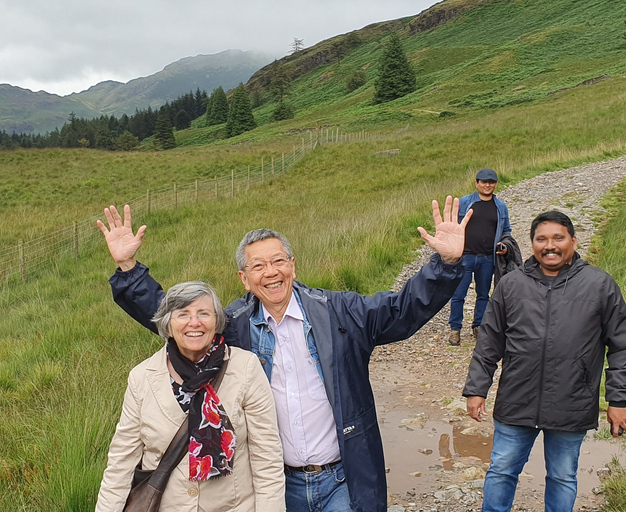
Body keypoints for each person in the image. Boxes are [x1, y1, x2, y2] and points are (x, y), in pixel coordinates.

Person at [96, 197, 470, 512]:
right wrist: (128, 269)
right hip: (276, 484)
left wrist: (446, 265)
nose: (270, 273)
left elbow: (401, 311)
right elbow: (180, 318)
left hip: (345, 477)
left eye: (278, 261)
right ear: (244, 278)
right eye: (257, 266)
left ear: (292, 265)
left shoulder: (342, 312)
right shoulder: (235, 326)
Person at [463, 211, 626, 512]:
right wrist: (477, 389)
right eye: (541, 239)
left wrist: (618, 399)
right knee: (502, 471)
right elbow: (490, 341)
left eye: (558, 238)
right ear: (532, 243)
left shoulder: (600, 286)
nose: (550, 246)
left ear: (573, 240)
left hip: (572, 402)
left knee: (562, 476)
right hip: (517, 400)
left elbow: (623, 346)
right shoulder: (511, 285)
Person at [95, 281, 285, 511]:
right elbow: (120, 464)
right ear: (167, 325)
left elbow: (267, 460)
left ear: (216, 322)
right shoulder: (142, 377)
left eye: (204, 313)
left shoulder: (246, 367)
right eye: (183, 314)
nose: (194, 323)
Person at [448, 168, 512, 346]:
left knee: (483, 294)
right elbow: (452, 225)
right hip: (465, 257)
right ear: (477, 183)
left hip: (488, 258)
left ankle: (479, 327)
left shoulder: (500, 207)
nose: (487, 185)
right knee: (458, 294)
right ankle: (455, 329)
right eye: (483, 182)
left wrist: (505, 246)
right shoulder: (465, 202)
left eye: (491, 182)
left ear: (496, 184)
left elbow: (506, 230)